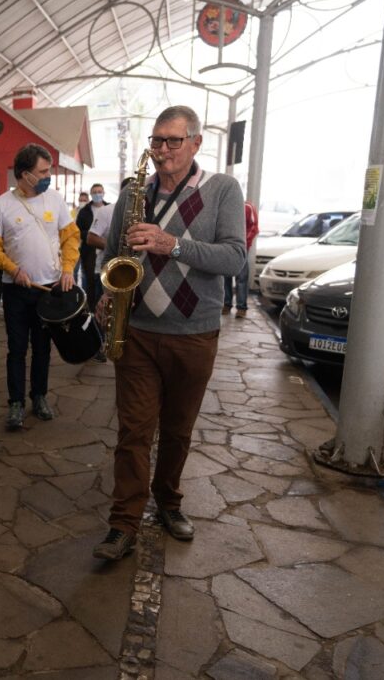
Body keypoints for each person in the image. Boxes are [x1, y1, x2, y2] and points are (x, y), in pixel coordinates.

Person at [93, 105, 246, 561]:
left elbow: (235, 258)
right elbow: (113, 253)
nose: (162, 150)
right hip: (137, 330)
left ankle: (168, 502)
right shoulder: (133, 193)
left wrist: (170, 243)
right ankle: (123, 525)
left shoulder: (223, 190)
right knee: (133, 433)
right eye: (156, 141)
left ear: (196, 143)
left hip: (194, 333)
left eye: (172, 141)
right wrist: (105, 291)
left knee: (177, 431)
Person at [0, 143, 80, 431]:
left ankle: (39, 397)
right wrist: (13, 270)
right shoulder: (2, 204)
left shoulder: (55, 200)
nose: (48, 176)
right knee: (16, 349)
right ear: (25, 174)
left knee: (42, 348)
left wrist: (68, 269)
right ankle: (15, 403)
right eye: (43, 171)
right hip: (15, 291)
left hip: (49, 289)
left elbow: (71, 237)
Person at [80, 183, 114, 362]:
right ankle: (98, 344)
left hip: (112, 267)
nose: (97, 195)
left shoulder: (107, 208)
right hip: (97, 265)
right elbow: (86, 236)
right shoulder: (92, 212)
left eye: (100, 192)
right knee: (98, 305)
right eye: (95, 192)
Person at [223, 200, 259, 318]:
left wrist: (243, 244)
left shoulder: (247, 207)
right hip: (227, 247)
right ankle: (226, 304)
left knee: (241, 278)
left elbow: (254, 227)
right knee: (225, 276)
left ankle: (241, 307)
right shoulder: (225, 207)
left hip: (242, 248)